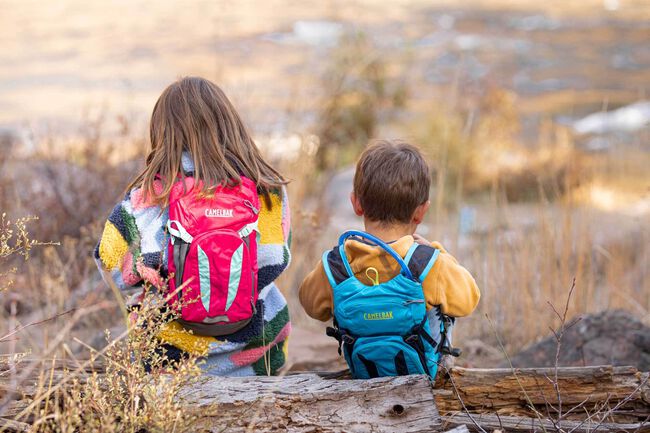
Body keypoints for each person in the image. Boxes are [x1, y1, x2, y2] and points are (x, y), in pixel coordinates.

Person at [95, 76, 291, 376]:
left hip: (168, 366)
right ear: (229, 124)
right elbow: (276, 258)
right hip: (256, 357)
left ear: (163, 134)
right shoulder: (265, 188)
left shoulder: (148, 197)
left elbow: (109, 265)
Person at [299, 139, 480, 378]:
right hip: (423, 378)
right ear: (421, 211)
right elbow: (470, 298)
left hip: (364, 373)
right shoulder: (429, 264)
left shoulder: (336, 267)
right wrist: (438, 251)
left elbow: (310, 304)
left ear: (356, 204)